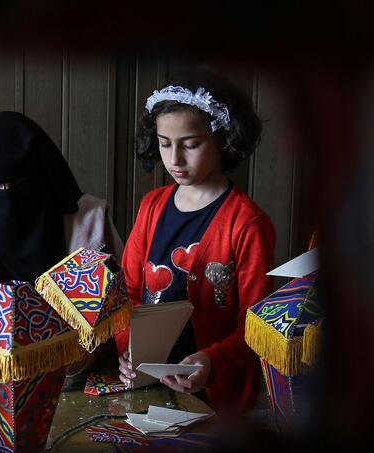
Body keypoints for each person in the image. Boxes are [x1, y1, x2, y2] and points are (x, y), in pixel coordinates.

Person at [116, 70, 276, 413]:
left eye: (190, 144)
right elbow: (127, 293)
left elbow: (257, 325)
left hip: (215, 398)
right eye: (164, 143)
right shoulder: (151, 206)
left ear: (223, 138)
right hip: (147, 386)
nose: (174, 159)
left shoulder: (247, 223)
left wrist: (211, 361)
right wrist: (128, 351)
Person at [0, 111, 124, 373]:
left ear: (41, 175)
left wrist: (83, 354)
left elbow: (113, 326)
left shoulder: (85, 225)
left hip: (73, 382)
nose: (7, 200)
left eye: (17, 185)